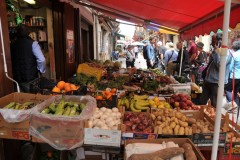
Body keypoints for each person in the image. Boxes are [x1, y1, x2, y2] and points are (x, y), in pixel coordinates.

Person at [200, 33, 232, 107]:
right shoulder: (217, 52)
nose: (211, 43)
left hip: (217, 83)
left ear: (220, 42)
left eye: (214, 42)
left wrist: (216, 51)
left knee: (215, 104)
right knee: (202, 101)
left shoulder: (226, 53)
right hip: (208, 80)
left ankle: (214, 118)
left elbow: (220, 65)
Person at [10, 25, 46, 93]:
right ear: (28, 32)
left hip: (17, 80)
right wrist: (41, 70)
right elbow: (42, 60)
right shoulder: (33, 43)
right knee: (33, 99)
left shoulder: (12, 45)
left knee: (21, 101)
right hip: (31, 79)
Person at [225, 41, 240, 107]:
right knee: (236, 92)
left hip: (233, 76)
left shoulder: (234, 55)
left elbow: (230, 67)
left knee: (228, 90)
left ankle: (232, 105)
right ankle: (236, 105)